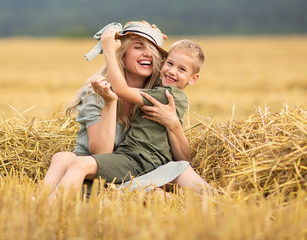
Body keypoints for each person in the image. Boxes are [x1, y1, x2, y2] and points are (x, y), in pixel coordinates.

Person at [43, 21, 210, 199]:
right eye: (138, 47)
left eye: (152, 49)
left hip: (129, 169)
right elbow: (101, 154)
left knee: (155, 194)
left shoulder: (160, 93)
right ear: (122, 56)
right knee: (62, 157)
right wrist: (109, 102)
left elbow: (184, 161)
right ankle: (40, 205)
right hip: (103, 170)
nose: (147, 53)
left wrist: (174, 125)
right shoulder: (97, 93)